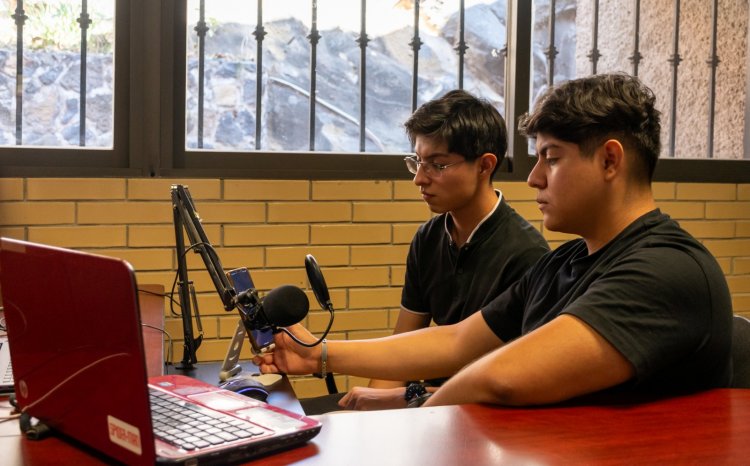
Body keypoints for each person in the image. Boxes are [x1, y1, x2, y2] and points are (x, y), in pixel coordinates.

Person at [256, 74, 733, 408]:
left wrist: (414, 409)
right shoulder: (563, 264)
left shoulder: (666, 269)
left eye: (551, 157)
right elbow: (458, 340)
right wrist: (318, 354)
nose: (533, 178)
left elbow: (502, 378)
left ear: (610, 161)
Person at [302, 89, 548, 414]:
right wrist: (362, 415)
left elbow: (509, 381)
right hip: (424, 404)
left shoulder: (527, 254)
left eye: (437, 165)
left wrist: (404, 398)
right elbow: (402, 346)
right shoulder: (429, 237)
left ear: (485, 165)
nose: (419, 178)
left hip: (482, 414)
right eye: (417, 162)